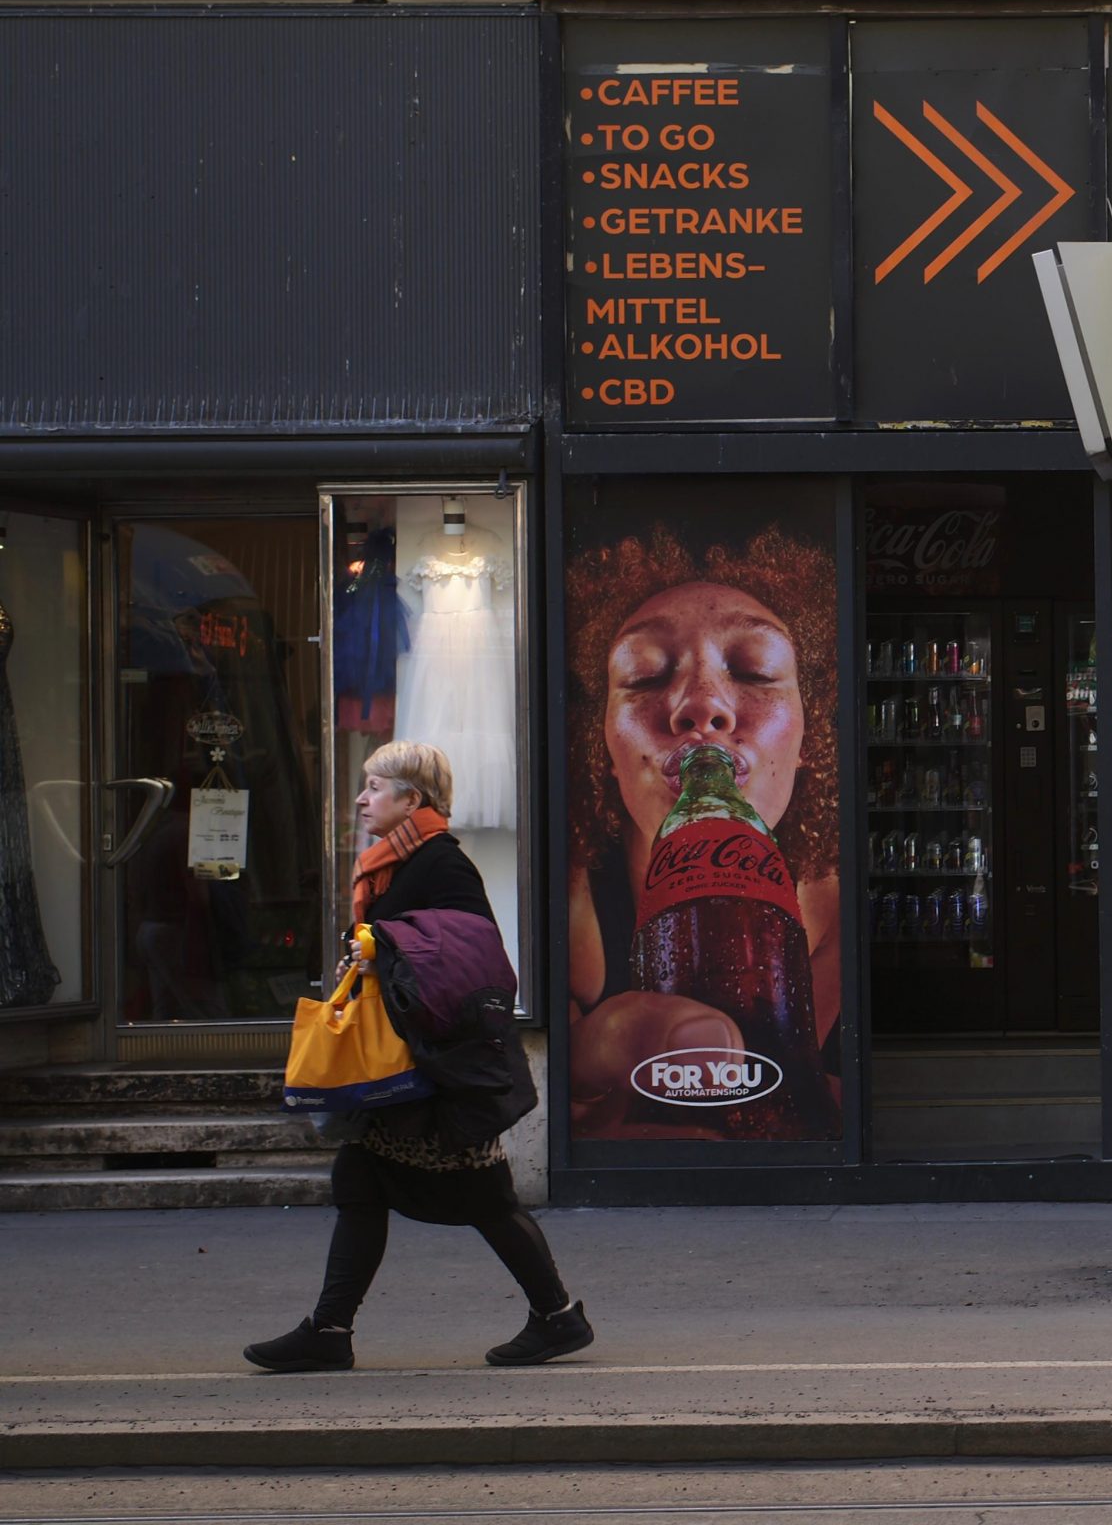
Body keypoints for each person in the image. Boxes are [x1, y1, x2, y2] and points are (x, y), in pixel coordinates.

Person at [246, 742, 590, 1373]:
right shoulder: (394, 863)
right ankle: (329, 1329)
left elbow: (473, 955)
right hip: (405, 1067)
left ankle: (558, 1316)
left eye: (375, 787)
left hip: (440, 1071)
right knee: (360, 1183)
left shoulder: (441, 863)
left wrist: (388, 946)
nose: (361, 799)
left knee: (487, 1199)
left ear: (413, 800)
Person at [563, 526, 842, 1140]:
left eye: (756, 670)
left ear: (808, 737)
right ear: (603, 749)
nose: (702, 704)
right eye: (643, 676)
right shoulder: (569, 903)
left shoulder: (835, 912)